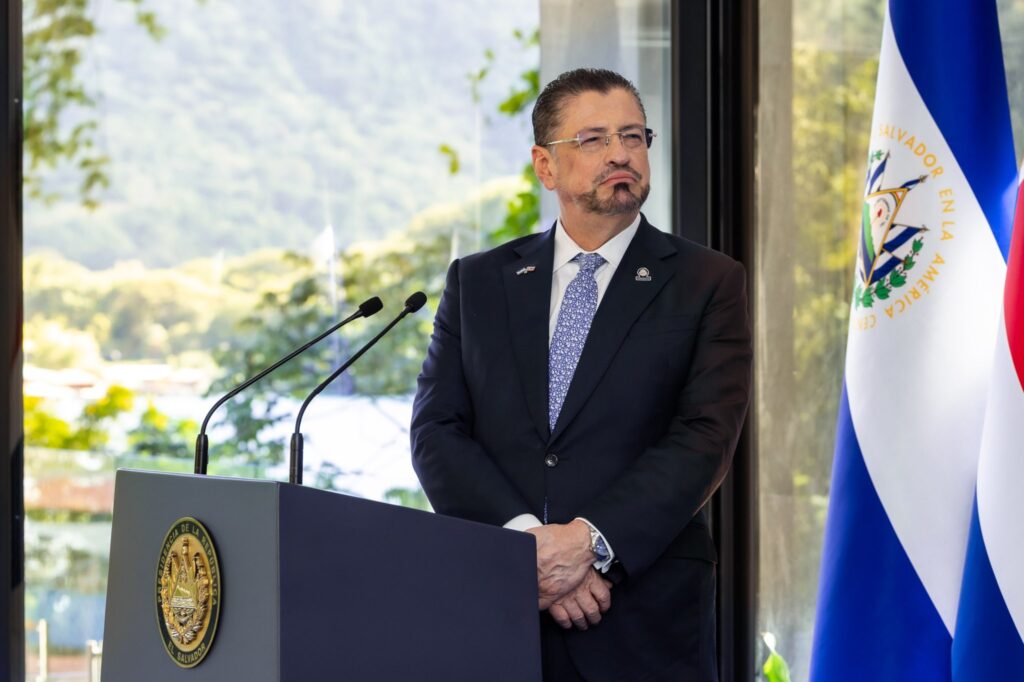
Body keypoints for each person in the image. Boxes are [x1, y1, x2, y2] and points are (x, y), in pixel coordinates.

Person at [411, 68, 751, 681]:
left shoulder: (707, 281)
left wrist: (588, 544)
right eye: (594, 139)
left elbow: (704, 438)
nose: (620, 154)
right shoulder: (479, 281)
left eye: (633, 136)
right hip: (496, 610)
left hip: (641, 616)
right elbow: (437, 431)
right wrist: (527, 548)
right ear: (545, 165)